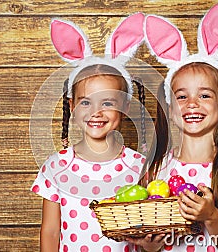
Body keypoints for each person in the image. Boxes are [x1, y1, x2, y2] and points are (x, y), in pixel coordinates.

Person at [131, 3, 218, 251]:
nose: (192, 104)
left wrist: (211, 215)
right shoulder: (156, 169)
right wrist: (149, 244)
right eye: (181, 97)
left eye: (204, 96)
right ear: (170, 110)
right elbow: (152, 244)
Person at [31, 13, 159, 251]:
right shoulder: (56, 166)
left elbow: (148, 239)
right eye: (86, 102)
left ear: (125, 108)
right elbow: (50, 231)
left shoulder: (140, 166)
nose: (97, 112)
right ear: (72, 106)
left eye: (108, 103)